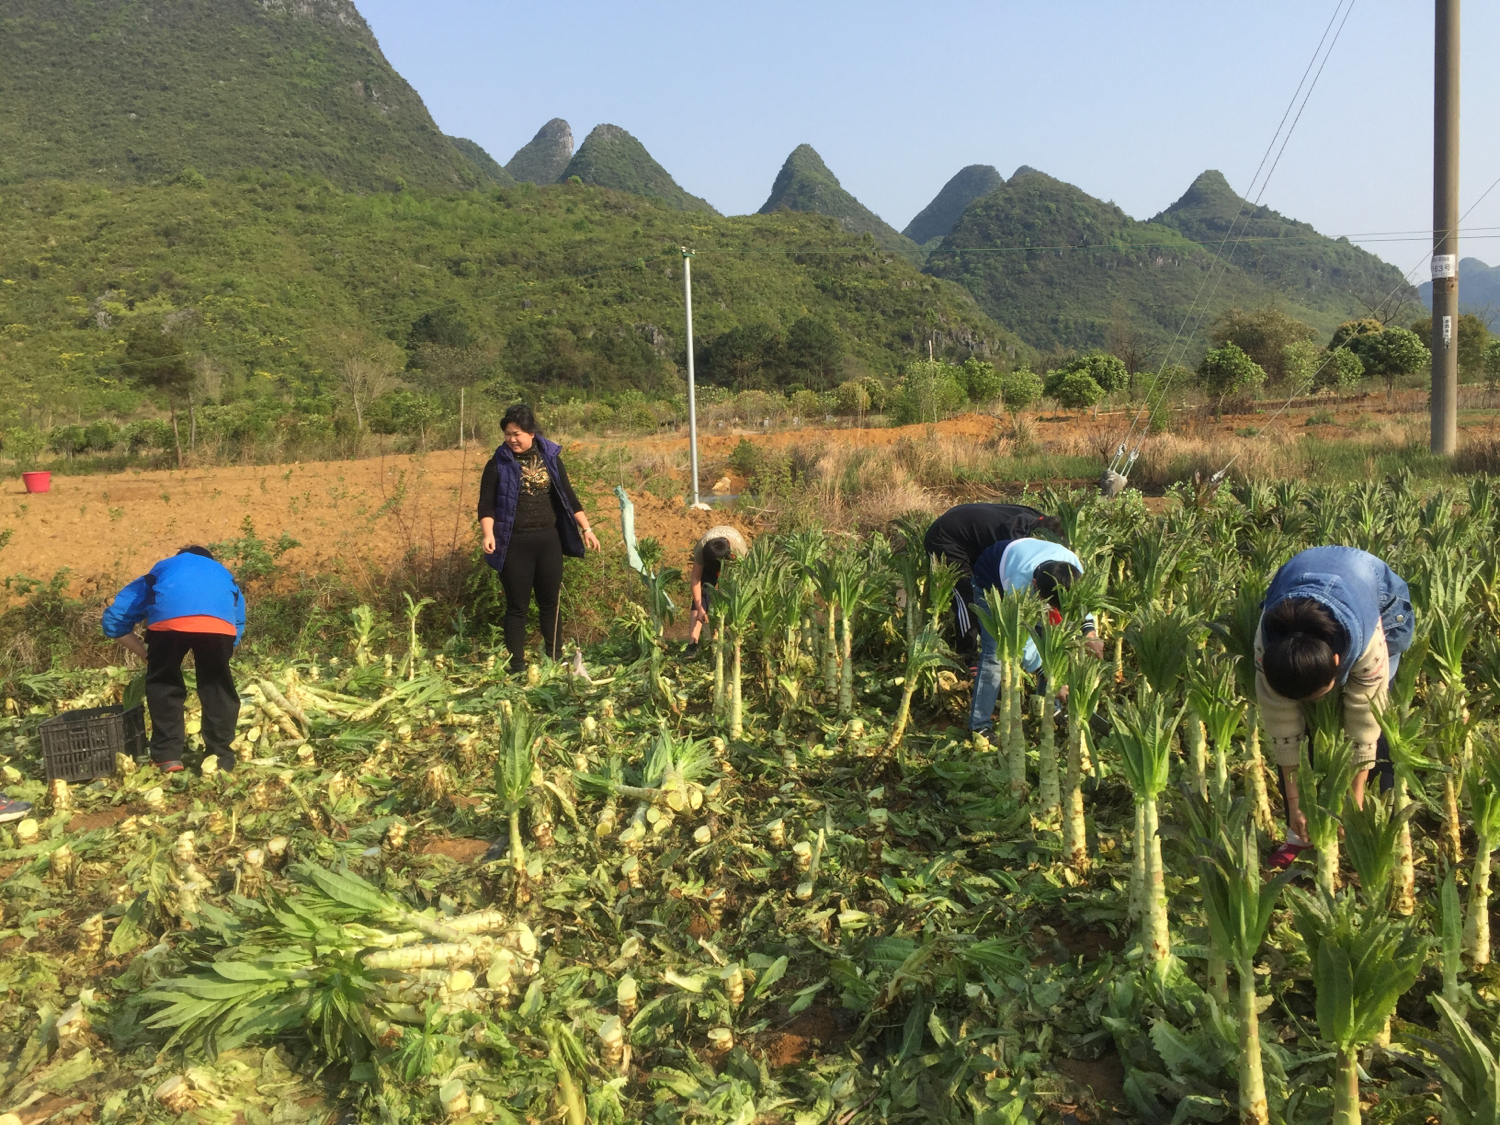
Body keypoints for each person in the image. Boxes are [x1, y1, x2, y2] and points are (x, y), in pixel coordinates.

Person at [1255, 546, 1414, 868]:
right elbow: (1282, 728)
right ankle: (1299, 831)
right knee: (1306, 731)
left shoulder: (1368, 646)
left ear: (1337, 662)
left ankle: (1377, 826)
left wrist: (1353, 805)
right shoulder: (1267, 649)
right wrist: (1296, 803)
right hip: (1301, 580)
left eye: (1318, 692)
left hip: (1378, 597)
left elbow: (1364, 723)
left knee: (1378, 726)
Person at [479, 404, 601, 674]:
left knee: (550, 604)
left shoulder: (551, 459)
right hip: (514, 544)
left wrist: (587, 529)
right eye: (507, 434)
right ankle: (517, 666)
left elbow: (568, 497)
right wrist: (488, 534)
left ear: (531, 432)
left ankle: (555, 658)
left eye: (517, 434)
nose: (512, 439)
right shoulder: (497, 464)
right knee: (517, 607)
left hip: (548, 541)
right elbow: (486, 504)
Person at [102, 546, 246, 772]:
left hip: (169, 623)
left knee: (164, 684)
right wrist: (219, 659)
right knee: (217, 687)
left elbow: (115, 620)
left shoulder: (164, 569)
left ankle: (168, 756)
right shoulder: (224, 574)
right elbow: (236, 625)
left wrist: (148, 657)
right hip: (218, 626)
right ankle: (221, 757)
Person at [968, 536, 1104, 737]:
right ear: (1034, 584)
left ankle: (1049, 709)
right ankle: (980, 725)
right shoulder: (1018, 584)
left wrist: (1089, 632)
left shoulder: (1071, 566)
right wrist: (1048, 674)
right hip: (991, 583)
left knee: (1053, 645)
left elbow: (1081, 601)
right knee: (996, 653)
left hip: (1027, 564)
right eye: (1046, 602)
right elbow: (1022, 636)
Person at [923, 503, 1064, 668]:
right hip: (946, 538)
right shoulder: (1015, 543)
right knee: (966, 597)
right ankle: (967, 658)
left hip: (970, 532)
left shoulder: (1041, 523)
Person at [683, 525, 751, 659]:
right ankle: (692, 645)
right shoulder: (702, 548)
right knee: (703, 592)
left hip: (733, 563)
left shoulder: (740, 551)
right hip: (712, 559)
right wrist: (700, 608)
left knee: (734, 596)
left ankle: (734, 639)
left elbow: (747, 580)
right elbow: (696, 578)